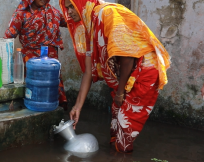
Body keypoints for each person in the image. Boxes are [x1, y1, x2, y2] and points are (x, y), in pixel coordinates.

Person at [60, 0, 171, 153]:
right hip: (128, 77)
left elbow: (127, 55)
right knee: (115, 124)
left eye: (72, 6)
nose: (69, 12)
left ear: (82, 3)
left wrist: (120, 93)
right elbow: (88, 71)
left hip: (144, 72)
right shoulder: (90, 27)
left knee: (125, 133)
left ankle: (122, 154)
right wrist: (77, 107)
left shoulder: (107, 13)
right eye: (67, 8)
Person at [4, 0, 69, 109]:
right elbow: (8, 38)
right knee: (32, 92)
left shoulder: (53, 12)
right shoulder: (21, 14)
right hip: (31, 63)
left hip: (50, 64)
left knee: (51, 92)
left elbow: (71, 22)